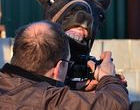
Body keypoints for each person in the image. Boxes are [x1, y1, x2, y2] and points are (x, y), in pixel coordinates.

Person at [0, 20, 129, 109]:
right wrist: (108, 78)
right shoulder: (49, 100)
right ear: (59, 66)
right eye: (67, 64)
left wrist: (77, 88)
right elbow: (115, 104)